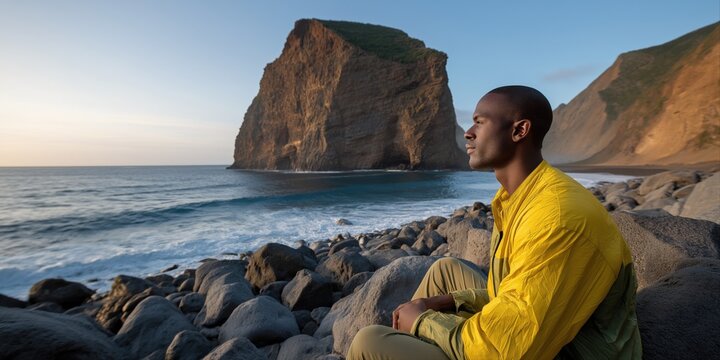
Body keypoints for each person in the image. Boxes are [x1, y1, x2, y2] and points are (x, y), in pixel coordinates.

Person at [347, 86, 643, 359]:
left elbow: (508, 348)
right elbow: (513, 294)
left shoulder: (556, 217)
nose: (468, 132)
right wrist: (438, 304)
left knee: (368, 342)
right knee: (444, 271)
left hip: (572, 351)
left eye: (480, 122)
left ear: (519, 130)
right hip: (549, 326)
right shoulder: (519, 196)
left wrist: (423, 321)